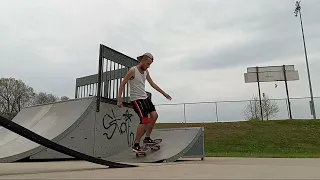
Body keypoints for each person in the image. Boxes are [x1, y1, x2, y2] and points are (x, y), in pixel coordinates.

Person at [117, 52, 172, 151]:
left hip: (145, 98)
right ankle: (136, 144)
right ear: (142, 61)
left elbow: (152, 84)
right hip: (136, 100)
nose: (148, 66)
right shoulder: (133, 70)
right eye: (147, 64)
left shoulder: (146, 72)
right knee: (145, 119)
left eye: (150, 65)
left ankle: (147, 138)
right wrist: (119, 99)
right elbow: (123, 83)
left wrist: (164, 93)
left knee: (154, 115)